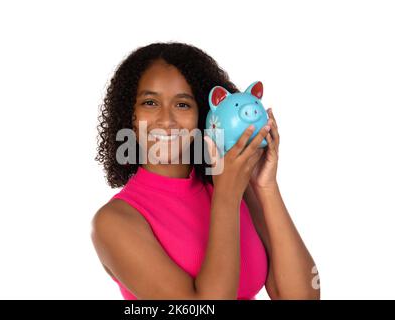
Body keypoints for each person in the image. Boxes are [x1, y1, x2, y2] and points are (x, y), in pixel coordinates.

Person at [91, 42, 320, 300]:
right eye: (150, 102)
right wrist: (226, 197)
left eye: (183, 105)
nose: (166, 120)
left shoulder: (232, 185)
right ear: (128, 115)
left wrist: (264, 187)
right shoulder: (113, 222)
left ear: (203, 115)